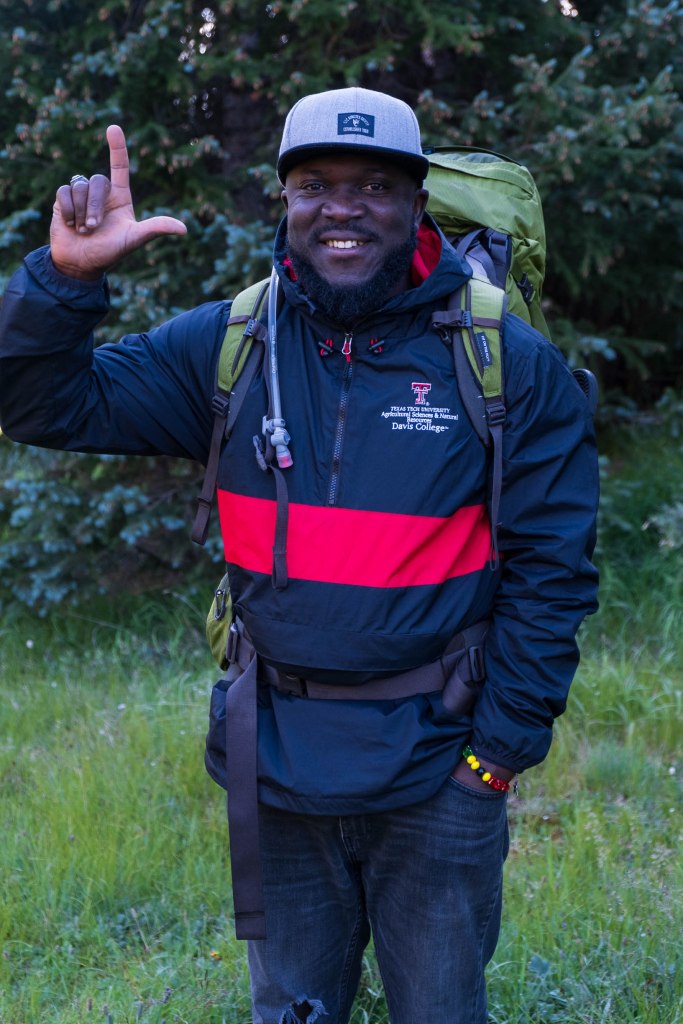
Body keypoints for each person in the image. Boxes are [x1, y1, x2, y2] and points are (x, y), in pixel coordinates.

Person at [0, 87, 599, 1024]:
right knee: (289, 1014)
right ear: (286, 202)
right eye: (315, 183)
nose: (343, 207)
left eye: (373, 184)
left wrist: (494, 759)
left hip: (440, 768)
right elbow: (43, 407)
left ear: (414, 204)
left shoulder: (502, 362)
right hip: (273, 764)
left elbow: (552, 575)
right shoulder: (229, 344)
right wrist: (64, 282)